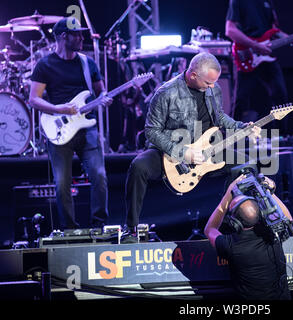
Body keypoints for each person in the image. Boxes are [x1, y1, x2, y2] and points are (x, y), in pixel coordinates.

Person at [123, 52, 260, 242]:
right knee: (138, 167)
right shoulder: (166, 92)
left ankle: (229, 226)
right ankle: (131, 229)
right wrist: (183, 152)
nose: (212, 87)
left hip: (206, 151)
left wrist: (241, 127)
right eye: (208, 83)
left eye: (214, 82)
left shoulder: (213, 89)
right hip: (170, 152)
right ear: (193, 75)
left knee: (246, 165)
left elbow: (219, 117)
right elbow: (152, 131)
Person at [29, 17, 113, 230]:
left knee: (100, 177)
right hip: (59, 129)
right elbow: (33, 99)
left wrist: (104, 97)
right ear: (63, 37)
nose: (81, 37)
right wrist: (59, 109)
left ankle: (98, 226)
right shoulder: (45, 64)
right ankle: (70, 230)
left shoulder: (88, 63)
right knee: (62, 184)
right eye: (76, 34)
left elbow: (99, 91)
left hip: (87, 129)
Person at [204, 174, 293, 300]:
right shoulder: (273, 232)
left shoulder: (230, 245)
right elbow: (288, 219)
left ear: (235, 222)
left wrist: (228, 195)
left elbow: (210, 229)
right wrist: (268, 192)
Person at [225, 0, 293, 133]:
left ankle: (281, 137)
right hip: (247, 54)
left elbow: (274, 31)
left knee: (280, 96)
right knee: (241, 99)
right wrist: (255, 45)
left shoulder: (267, 2)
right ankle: (230, 136)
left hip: (266, 58)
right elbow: (230, 30)